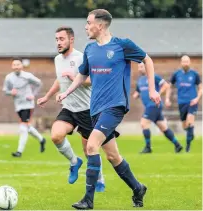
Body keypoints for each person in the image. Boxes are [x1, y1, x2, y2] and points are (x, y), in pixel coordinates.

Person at [57, 9, 161, 209]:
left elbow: (147, 60)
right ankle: (138, 188)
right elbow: (82, 75)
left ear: (101, 25)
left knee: (91, 146)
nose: (86, 27)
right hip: (95, 109)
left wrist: (153, 89)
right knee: (113, 156)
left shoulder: (123, 45)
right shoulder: (89, 49)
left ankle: (88, 199)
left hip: (115, 107)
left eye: (88, 23)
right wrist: (66, 93)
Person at [37, 26, 113, 192]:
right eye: (56, 39)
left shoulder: (81, 57)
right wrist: (47, 96)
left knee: (89, 150)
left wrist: (75, 78)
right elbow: (59, 80)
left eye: (61, 39)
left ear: (71, 40)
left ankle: (100, 179)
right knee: (56, 136)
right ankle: (73, 162)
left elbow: (94, 80)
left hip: (87, 110)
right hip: (69, 109)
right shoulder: (57, 60)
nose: (58, 42)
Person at [133, 63, 183, 153]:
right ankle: (177, 145)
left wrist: (158, 94)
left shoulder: (153, 76)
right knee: (163, 127)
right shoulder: (140, 80)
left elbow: (166, 85)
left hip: (153, 105)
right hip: (150, 106)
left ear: (146, 67)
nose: (140, 69)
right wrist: (135, 95)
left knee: (144, 123)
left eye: (141, 67)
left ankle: (148, 147)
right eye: (139, 67)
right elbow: (137, 91)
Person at [3, 58, 46, 157]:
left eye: (18, 64)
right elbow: (5, 90)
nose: (16, 67)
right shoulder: (9, 78)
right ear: (12, 67)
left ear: (21, 66)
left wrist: (33, 95)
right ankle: (41, 139)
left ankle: (19, 151)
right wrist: (11, 92)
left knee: (23, 127)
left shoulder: (27, 76)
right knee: (26, 126)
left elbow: (39, 83)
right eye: (14, 65)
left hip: (28, 104)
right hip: (18, 104)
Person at [166, 55, 202, 152]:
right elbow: (170, 86)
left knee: (190, 121)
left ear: (189, 62)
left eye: (187, 61)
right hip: (181, 102)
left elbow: (201, 88)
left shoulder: (194, 74)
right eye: (184, 61)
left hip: (192, 102)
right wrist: (167, 99)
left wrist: (197, 98)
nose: (185, 63)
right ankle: (190, 133)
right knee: (185, 125)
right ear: (181, 63)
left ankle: (188, 146)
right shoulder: (176, 74)